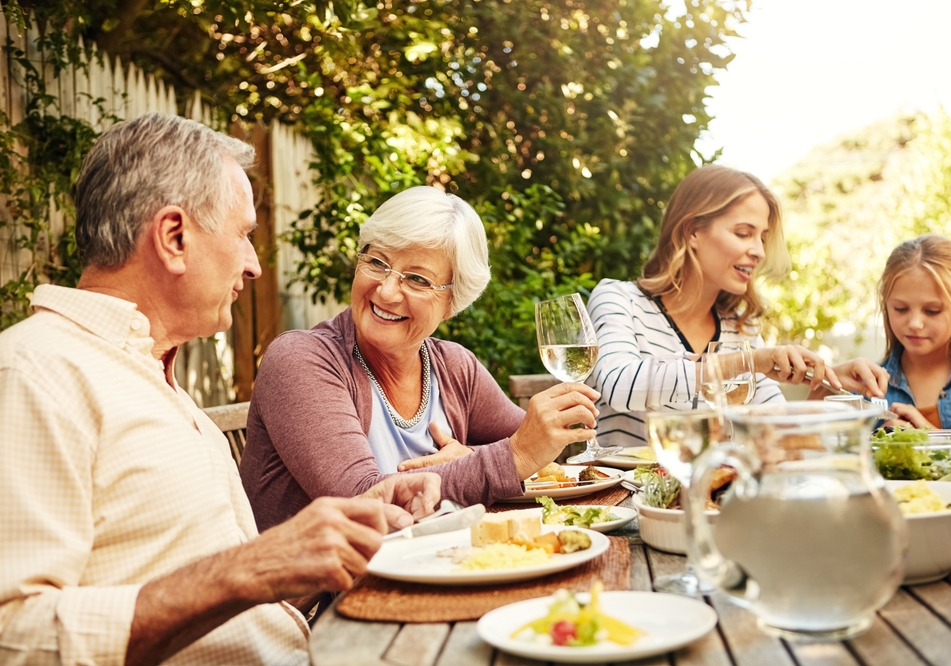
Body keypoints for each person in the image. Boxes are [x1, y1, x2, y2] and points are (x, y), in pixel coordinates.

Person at [0, 112, 442, 666]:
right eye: (243, 235)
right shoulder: (37, 374)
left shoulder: (158, 386)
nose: (255, 265)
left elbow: (231, 603)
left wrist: (331, 540)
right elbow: (13, 636)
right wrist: (253, 567)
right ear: (174, 237)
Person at [241, 185, 600, 530]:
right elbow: (361, 500)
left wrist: (493, 457)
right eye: (377, 263)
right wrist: (505, 458)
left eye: (416, 279)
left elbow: (540, 452)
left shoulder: (455, 367)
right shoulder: (301, 360)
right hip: (334, 591)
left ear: (452, 303)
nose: (387, 290)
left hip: (438, 571)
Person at [587, 164, 888, 448]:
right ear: (692, 231)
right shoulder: (617, 299)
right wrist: (747, 362)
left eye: (762, 237)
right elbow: (619, 385)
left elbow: (773, 434)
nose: (758, 251)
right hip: (626, 499)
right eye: (743, 233)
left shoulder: (738, 327)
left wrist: (823, 384)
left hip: (712, 498)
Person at [876, 234, 951, 430]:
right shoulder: (869, 388)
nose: (915, 324)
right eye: (900, 308)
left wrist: (931, 440)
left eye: (932, 311)